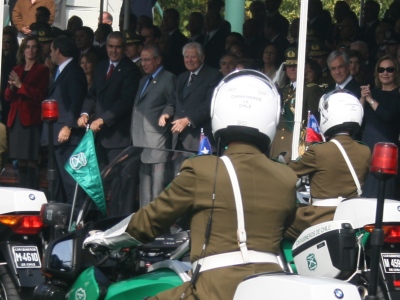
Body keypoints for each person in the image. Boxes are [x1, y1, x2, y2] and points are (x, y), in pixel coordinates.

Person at [83, 69, 297, 300]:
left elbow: (149, 221)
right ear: (272, 118)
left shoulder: (201, 169)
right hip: (271, 288)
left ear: (218, 111)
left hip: (214, 290)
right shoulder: (286, 177)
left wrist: (103, 239)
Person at [284, 90, 371, 240]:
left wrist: (284, 160)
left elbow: (288, 172)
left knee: (280, 219)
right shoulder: (365, 150)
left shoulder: (318, 151)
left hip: (319, 218)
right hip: (352, 217)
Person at [77, 32, 141, 167]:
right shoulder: (101, 66)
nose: (114, 50)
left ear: (124, 48)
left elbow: (125, 101)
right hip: (98, 136)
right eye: (110, 46)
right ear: (106, 47)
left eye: (118, 47)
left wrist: (103, 119)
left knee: (115, 177)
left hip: (117, 136)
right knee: (100, 176)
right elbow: (93, 93)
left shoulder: (131, 70)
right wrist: (85, 113)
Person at [41, 36, 87, 205]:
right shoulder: (60, 70)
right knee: (58, 181)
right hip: (56, 134)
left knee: (70, 181)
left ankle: (76, 220)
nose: (50, 54)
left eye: (52, 50)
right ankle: (62, 220)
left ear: (58, 51)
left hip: (66, 136)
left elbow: (76, 102)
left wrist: (68, 126)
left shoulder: (74, 71)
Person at [131, 44, 176, 208]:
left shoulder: (168, 78)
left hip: (156, 139)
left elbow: (172, 101)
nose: (143, 63)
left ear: (158, 60)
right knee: (144, 188)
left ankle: (159, 225)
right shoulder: (144, 79)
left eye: (147, 60)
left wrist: (166, 113)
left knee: (157, 187)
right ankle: (144, 222)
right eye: (142, 60)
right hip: (141, 140)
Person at [4, 36, 49, 189]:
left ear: (38, 50)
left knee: (31, 159)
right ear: (23, 50)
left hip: (31, 119)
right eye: (28, 46)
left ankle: (32, 191)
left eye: (34, 46)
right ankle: (23, 190)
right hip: (16, 118)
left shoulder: (42, 69)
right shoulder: (17, 69)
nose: (30, 50)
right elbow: (7, 97)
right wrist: (12, 88)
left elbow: (40, 95)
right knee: (20, 160)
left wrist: (21, 86)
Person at [170, 42, 222, 164]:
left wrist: (188, 120)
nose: (189, 60)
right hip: (180, 140)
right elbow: (173, 99)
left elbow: (211, 104)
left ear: (202, 58)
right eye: (186, 57)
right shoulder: (182, 77)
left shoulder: (214, 75)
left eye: (193, 57)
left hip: (201, 140)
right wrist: (166, 112)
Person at [270, 48, 323, 162]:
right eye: (289, 66)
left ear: (304, 68)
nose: (292, 69)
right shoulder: (281, 90)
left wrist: (308, 146)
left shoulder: (311, 89)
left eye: (295, 66)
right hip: (278, 143)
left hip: (297, 143)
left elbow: (312, 119)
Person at [360, 55, 400, 199]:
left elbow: (387, 116)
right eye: (381, 69)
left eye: (389, 69)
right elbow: (357, 116)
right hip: (367, 148)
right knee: (364, 191)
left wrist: (370, 99)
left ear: (396, 72)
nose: (385, 73)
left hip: (386, 151)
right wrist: (363, 98)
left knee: (383, 193)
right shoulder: (373, 92)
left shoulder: (397, 94)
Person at [160, 8, 187, 76]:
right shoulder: (160, 36)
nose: (165, 21)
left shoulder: (182, 40)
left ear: (176, 20)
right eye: (164, 18)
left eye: (169, 18)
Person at [1, 30, 19, 124]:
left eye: (7, 41)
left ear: (13, 43)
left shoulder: (14, 59)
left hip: (7, 92)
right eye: (2, 40)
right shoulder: (2, 57)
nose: (4, 43)